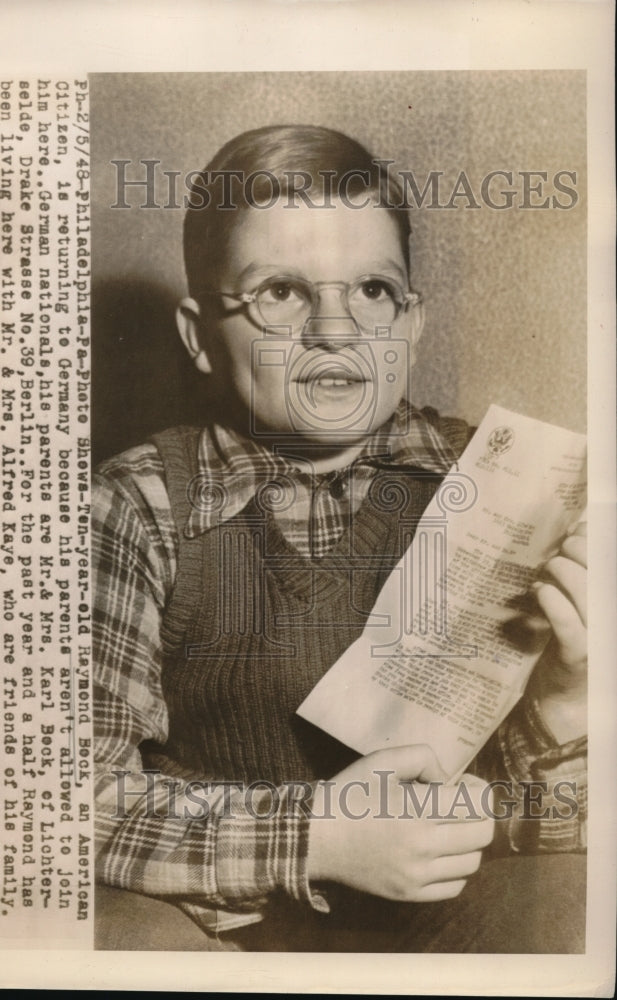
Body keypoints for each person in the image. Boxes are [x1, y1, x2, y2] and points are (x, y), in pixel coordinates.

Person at [92, 125, 587, 952]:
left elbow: (548, 828)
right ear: (196, 337)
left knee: (569, 908)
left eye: (371, 290)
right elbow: (60, 802)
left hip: (442, 917)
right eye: (281, 292)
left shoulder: (504, 485)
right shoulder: (136, 506)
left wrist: (566, 706)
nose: (336, 329)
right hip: (218, 928)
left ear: (411, 319)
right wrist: (319, 834)